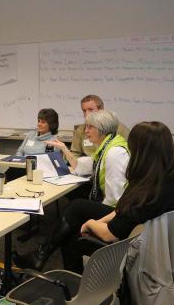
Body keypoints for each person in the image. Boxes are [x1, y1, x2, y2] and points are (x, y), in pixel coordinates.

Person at [16, 121, 174, 273]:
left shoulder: (147, 191)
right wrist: (98, 222)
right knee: (78, 206)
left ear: (141, 151)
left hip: (137, 245)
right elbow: (123, 209)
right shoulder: (163, 177)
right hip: (147, 235)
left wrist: (90, 224)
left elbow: (110, 234)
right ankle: (41, 254)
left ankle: (76, 287)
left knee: (72, 238)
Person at [13, 110, 130, 270]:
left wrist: (96, 222)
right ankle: (65, 272)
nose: (85, 131)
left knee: (77, 206)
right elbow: (81, 167)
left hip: (117, 214)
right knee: (69, 235)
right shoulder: (107, 147)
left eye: (90, 127)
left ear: (102, 129)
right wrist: (65, 149)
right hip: (113, 207)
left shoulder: (114, 154)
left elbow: (116, 197)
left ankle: (40, 254)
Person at [5, 108, 59, 182]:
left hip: (36, 171)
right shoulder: (31, 134)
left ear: (51, 125)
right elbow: (20, 150)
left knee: (12, 176)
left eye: (43, 122)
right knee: (5, 176)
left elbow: (48, 162)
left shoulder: (53, 141)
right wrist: (18, 160)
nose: (39, 124)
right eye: (38, 121)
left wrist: (28, 164)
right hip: (21, 166)